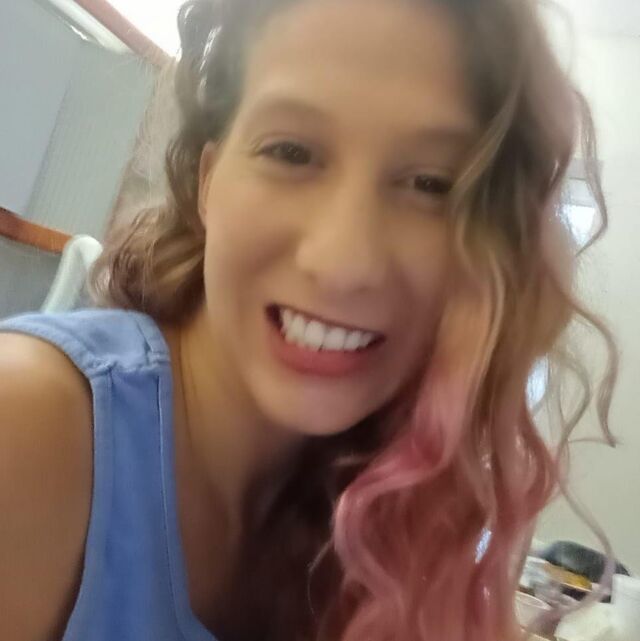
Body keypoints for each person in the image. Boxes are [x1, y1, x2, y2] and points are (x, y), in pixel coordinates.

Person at [0, 0, 617, 640]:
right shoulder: (28, 429)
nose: (344, 261)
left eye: (432, 185)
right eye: (291, 151)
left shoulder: (383, 499)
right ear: (208, 181)